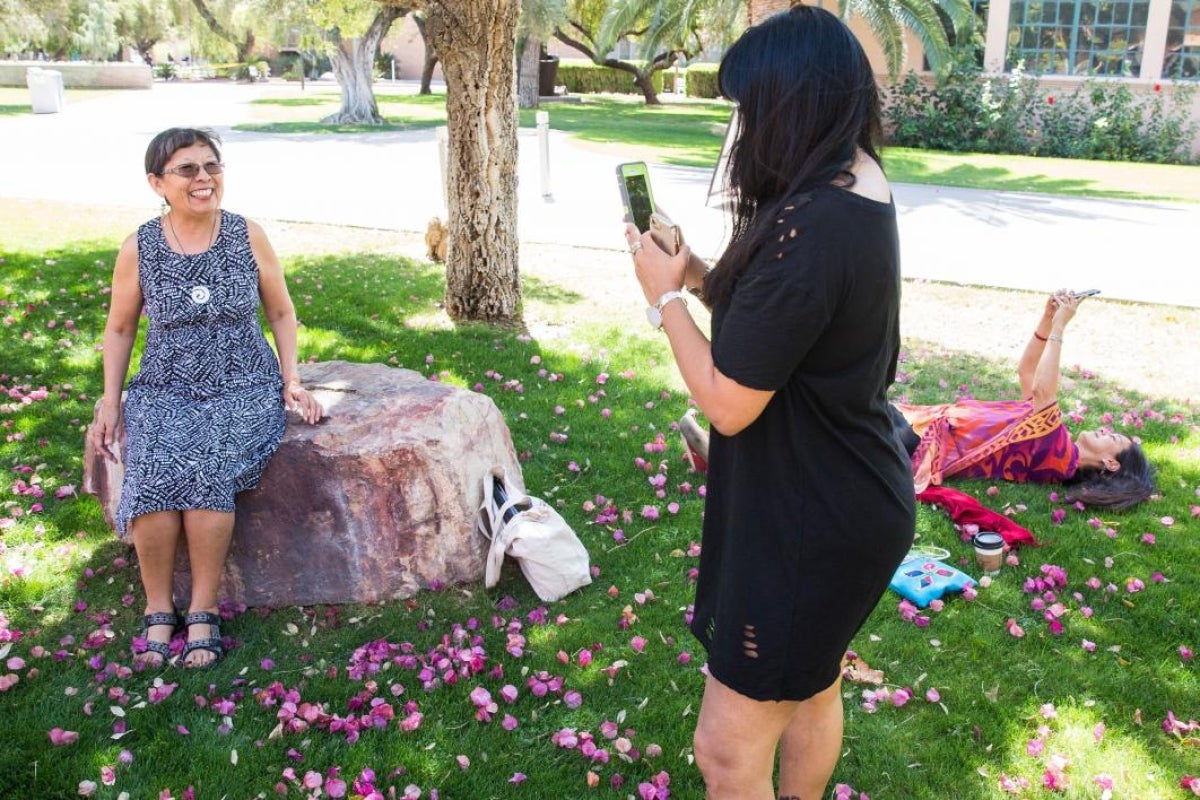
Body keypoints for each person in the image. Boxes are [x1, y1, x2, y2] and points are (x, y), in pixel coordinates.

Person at [624, 8, 915, 799]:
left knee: (726, 750)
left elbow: (727, 403)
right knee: (812, 686)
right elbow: (785, 323)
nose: (744, 127)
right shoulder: (852, 181)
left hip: (809, 521)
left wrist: (664, 305)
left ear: (793, 103)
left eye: (752, 107)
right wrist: (692, 275)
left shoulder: (811, 224)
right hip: (845, 492)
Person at [92, 127, 323, 669]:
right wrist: (111, 400)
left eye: (211, 166)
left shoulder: (247, 235)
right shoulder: (140, 247)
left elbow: (282, 312)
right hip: (165, 387)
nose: (204, 178)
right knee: (152, 468)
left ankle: (202, 610)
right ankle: (157, 608)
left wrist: (291, 378)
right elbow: (121, 328)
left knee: (205, 469)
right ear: (157, 183)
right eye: (187, 170)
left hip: (243, 386)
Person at [892, 290, 1156, 511]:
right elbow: (1027, 371)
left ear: (1111, 463)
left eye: (1112, 438)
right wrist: (1048, 319)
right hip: (921, 423)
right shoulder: (1052, 435)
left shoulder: (1060, 455)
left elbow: (1042, 390)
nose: (1104, 430)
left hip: (918, 442)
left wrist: (1060, 327)